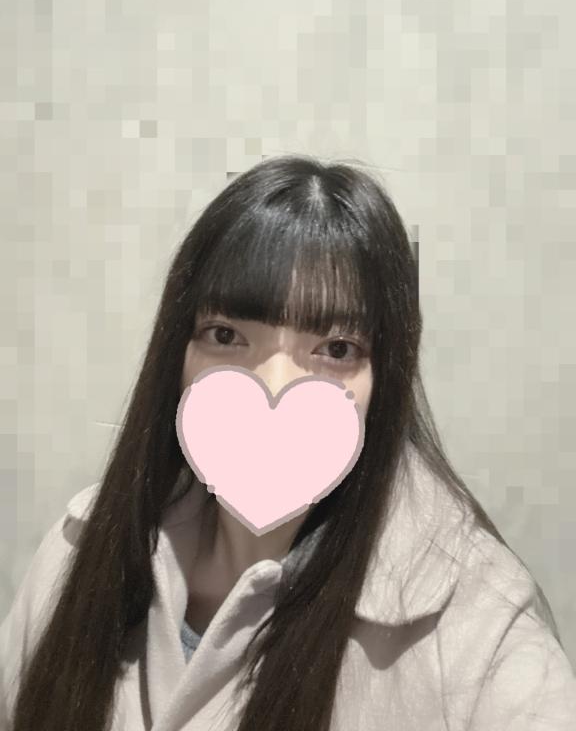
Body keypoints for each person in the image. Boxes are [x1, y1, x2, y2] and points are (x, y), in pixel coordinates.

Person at [1, 154, 575, 731]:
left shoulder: (476, 625)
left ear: (386, 379)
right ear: (177, 354)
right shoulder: (77, 553)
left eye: (336, 349)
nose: (274, 386)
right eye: (226, 335)